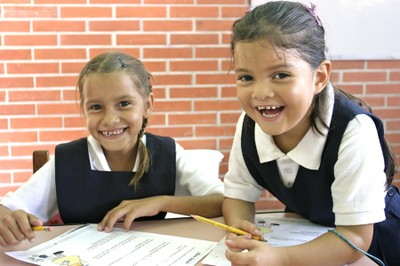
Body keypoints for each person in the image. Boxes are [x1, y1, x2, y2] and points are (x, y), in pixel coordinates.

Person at [222, 1, 399, 266]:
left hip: (374, 247)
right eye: (246, 77)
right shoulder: (249, 124)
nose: (260, 93)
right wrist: (241, 229)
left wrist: (279, 257)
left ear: (319, 76)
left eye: (280, 75)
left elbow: (356, 238)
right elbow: (238, 195)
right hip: (307, 238)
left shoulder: (354, 130)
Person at [0, 51, 224, 247]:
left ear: (147, 105)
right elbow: (6, 207)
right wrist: (8, 218)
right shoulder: (66, 161)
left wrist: (159, 202)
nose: (110, 119)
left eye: (124, 103)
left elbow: (222, 201)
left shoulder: (168, 153)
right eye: (96, 107)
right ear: (84, 110)